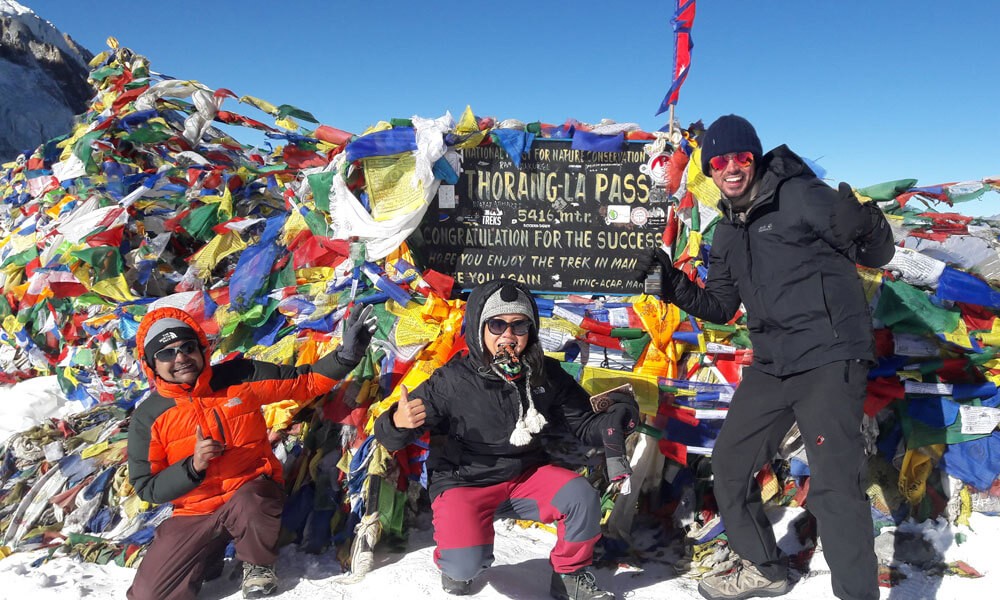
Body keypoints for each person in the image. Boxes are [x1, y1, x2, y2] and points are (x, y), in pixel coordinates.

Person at [637, 115, 895, 600]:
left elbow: (875, 253)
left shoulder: (802, 196)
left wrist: (871, 225)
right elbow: (720, 306)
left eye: (740, 157)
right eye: (719, 160)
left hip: (830, 358)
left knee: (834, 488)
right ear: (709, 170)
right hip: (775, 364)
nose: (731, 168)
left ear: (754, 158)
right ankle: (766, 567)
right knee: (732, 466)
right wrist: (671, 284)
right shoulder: (728, 231)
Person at [374, 279, 639, 600]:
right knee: (465, 566)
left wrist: (616, 419)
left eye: (519, 325)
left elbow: (584, 424)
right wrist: (397, 423)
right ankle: (456, 563)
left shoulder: (545, 373)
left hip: (525, 476)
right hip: (464, 483)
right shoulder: (451, 381)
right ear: (478, 327)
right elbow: (389, 437)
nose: (508, 336)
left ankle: (569, 576)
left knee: (580, 496)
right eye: (497, 325)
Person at [127, 303, 376, 600]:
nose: (180, 357)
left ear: (201, 349)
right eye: (166, 353)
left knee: (251, 499)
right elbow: (146, 486)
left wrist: (346, 357)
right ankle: (207, 556)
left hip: (250, 492)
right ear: (151, 364)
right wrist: (192, 467)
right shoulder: (148, 416)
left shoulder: (238, 376)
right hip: (194, 511)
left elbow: (303, 381)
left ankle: (258, 565)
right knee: (149, 596)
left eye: (187, 347)